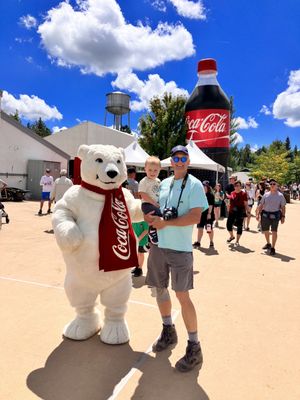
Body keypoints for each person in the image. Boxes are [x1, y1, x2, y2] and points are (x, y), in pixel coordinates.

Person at [144, 145, 208, 373]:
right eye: (175, 158)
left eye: (183, 157)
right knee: (160, 290)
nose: (179, 161)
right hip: (158, 246)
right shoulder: (164, 184)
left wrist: (167, 223)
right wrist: (150, 216)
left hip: (180, 249)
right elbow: (157, 210)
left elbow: (195, 216)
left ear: (188, 161)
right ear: (170, 162)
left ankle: (194, 347)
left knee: (182, 296)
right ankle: (168, 331)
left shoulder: (195, 185)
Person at [256, 178, 286, 256]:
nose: (272, 185)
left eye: (274, 184)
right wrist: (257, 213)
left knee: (274, 231)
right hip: (265, 214)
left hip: (275, 215)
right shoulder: (266, 194)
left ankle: (273, 247)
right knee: (265, 230)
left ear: (277, 185)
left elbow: (283, 207)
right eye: (271, 184)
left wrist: (283, 216)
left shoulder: (280, 195)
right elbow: (261, 204)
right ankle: (268, 243)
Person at [138, 156, 161, 244]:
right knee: (160, 214)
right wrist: (154, 203)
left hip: (154, 204)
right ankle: (152, 231)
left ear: (160, 170)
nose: (152, 172)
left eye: (155, 170)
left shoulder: (158, 181)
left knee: (159, 216)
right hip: (147, 204)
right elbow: (143, 194)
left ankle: (154, 232)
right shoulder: (144, 181)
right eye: (150, 170)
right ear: (145, 169)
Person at [226, 180, 251, 246]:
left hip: (240, 212)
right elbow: (229, 201)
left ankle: (237, 241)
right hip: (232, 212)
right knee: (228, 225)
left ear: (240, 186)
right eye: (235, 186)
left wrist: (248, 211)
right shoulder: (232, 193)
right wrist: (228, 206)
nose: (236, 187)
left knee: (239, 226)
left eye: (238, 186)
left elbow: (246, 204)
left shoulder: (243, 194)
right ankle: (232, 236)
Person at [193, 182, 215, 248]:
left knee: (209, 229)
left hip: (208, 215)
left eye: (205, 186)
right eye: (202, 186)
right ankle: (198, 242)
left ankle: (211, 241)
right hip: (200, 215)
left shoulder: (210, 195)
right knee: (200, 228)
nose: (203, 188)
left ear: (207, 187)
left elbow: (211, 205)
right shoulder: (200, 195)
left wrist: (209, 214)